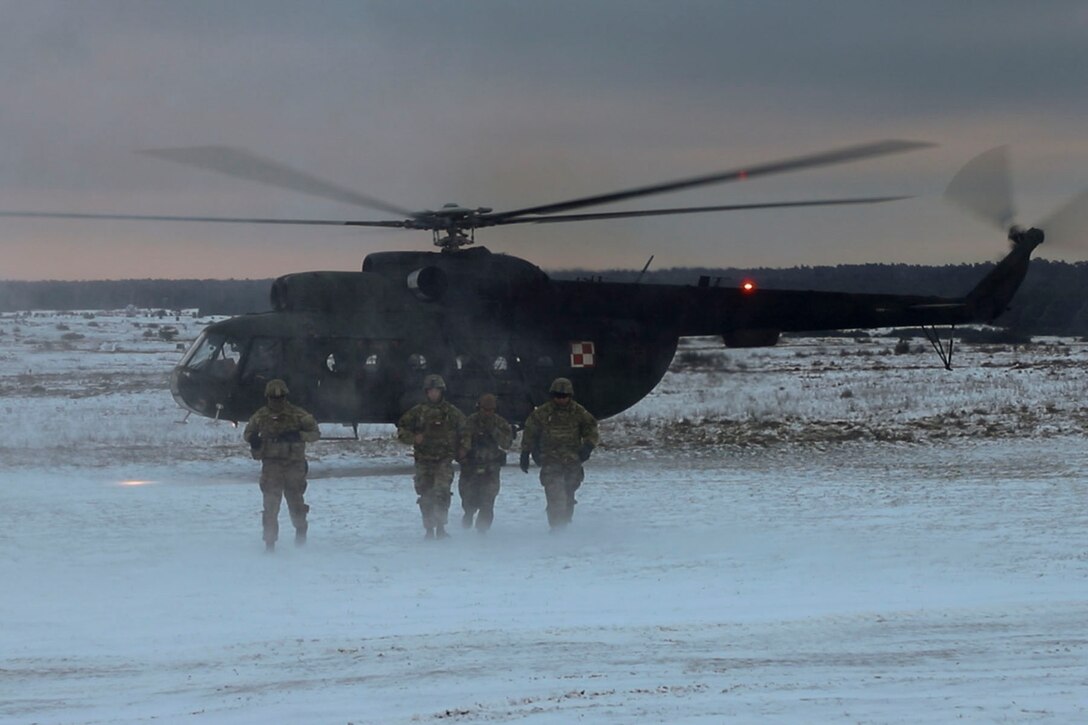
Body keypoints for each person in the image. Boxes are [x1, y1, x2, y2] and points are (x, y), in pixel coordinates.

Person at [242, 379, 321, 552]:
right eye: (273, 398)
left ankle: (301, 534)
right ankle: (270, 543)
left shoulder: (299, 415)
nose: (277, 401)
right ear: (267, 397)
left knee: (296, 503)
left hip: (294, 465)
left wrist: (298, 435)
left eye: (280, 397)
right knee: (270, 506)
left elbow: (315, 433)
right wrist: (253, 440)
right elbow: (248, 433)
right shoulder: (260, 416)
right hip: (271, 466)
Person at [520, 377, 600, 530]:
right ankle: (556, 527)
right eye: (558, 396)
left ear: (570, 396)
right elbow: (530, 431)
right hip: (550, 460)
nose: (561, 399)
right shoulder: (542, 413)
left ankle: (565, 521)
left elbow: (591, 428)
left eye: (564, 396)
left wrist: (588, 446)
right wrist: (526, 452)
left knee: (568, 494)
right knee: (554, 494)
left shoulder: (579, 412)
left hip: (572, 460)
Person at [396, 374, 466, 539]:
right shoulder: (418, 412)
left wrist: (463, 447)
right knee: (426, 494)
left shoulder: (451, 412)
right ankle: (429, 529)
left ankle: (441, 527)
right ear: (426, 392)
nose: (434, 394)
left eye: (437, 391)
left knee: (442, 492)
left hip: (443, 459)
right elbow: (401, 430)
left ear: (442, 392)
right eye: (431, 391)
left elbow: (465, 429)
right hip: (424, 460)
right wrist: (413, 438)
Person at [457, 393, 514, 532]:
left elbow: (507, 443)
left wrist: (494, 431)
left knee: (488, 500)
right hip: (471, 466)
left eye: (490, 410)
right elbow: (462, 440)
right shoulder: (470, 422)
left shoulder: (500, 423)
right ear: (478, 408)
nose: (487, 413)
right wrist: (462, 452)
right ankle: (469, 513)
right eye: (484, 409)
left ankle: (482, 532)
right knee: (468, 497)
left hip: (491, 467)